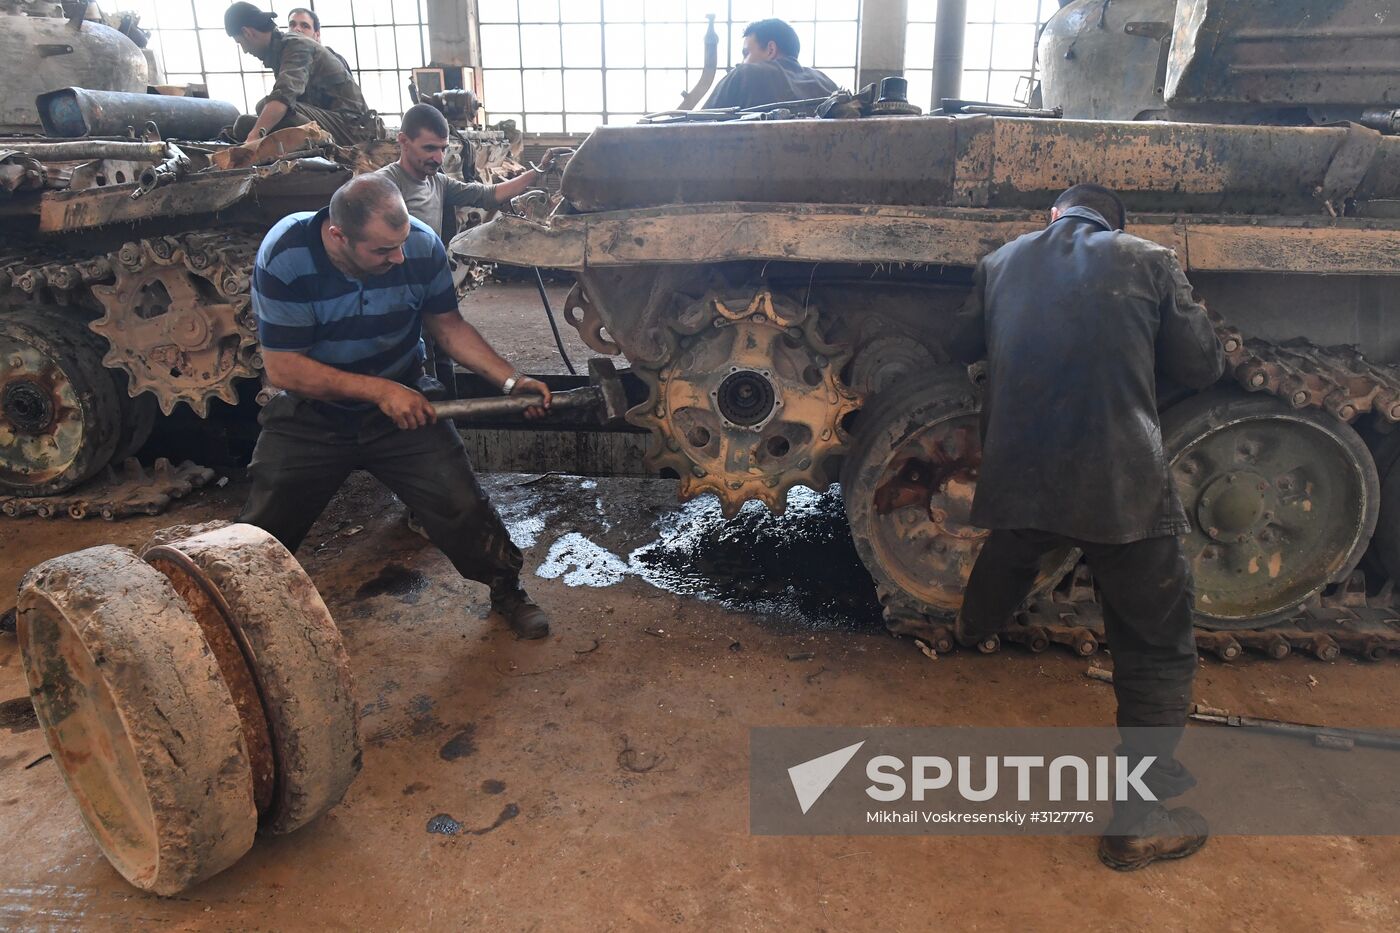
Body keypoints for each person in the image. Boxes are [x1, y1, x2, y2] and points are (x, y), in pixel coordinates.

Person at [949, 183, 1226, 870]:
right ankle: (1136, 821)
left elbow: (962, 344)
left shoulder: (1001, 262)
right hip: (1120, 483)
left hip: (1022, 474)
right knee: (1157, 644)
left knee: (1017, 543)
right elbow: (1202, 365)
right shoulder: (1148, 260)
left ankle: (972, 629)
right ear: (1116, 222)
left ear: (1052, 218)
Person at [239, 174, 555, 639]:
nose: (399, 257)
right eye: (383, 252)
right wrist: (379, 392)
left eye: (401, 244)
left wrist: (510, 379)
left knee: (462, 506)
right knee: (266, 519)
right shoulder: (287, 253)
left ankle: (507, 589)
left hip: (405, 403)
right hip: (316, 412)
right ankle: (237, 608)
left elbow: (447, 326)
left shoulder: (420, 247)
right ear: (337, 235)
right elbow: (285, 369)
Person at [376, 103, 572, 240]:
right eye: (429, 148)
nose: (439, 158)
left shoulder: (439, 182)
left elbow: (488, 195)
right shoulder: (381, 187)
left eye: (443, 148)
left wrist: (539, 170)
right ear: (403, 141)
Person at [223, 1, 375, 147]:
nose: (245, 50)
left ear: (247, 33)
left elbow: (283, 96)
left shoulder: (296, 45)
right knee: (244, 124)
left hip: (353, 130)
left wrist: (253, 138)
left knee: (267, 108)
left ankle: (325, 150)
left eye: (240, 43)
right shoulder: (280, 51)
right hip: (331, 122)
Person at [703, 18, 838, 110]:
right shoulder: (827, 83)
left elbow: (695, 129)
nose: (742, 62)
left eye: (746, 53)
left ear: (771, 49)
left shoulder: (744, 74)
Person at [287, 6, 352, 74]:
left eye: (305, 26)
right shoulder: (285, 60)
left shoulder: (335, 60)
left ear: (317, 35)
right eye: (292, 25)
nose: (297, 29)